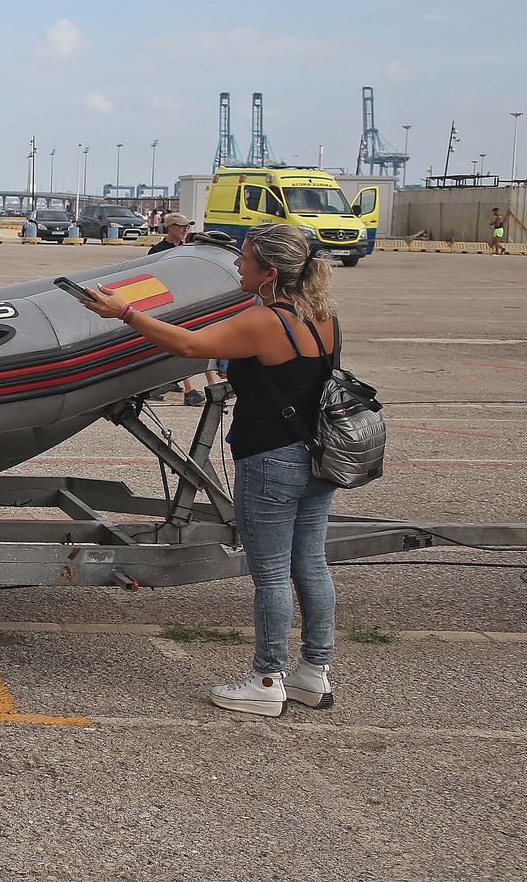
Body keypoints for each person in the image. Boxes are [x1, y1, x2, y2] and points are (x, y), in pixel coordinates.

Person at [75, 222, 340, 718]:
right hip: (318, 459)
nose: (238, 264)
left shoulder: (267, 321)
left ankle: (267, 678)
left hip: (271, 462)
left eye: (245, 259)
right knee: (311, 564)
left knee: (271, 574)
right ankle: (314, 674)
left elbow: (189, 347)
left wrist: (125, 312)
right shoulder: (323, 316)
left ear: (270, 272)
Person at [148, 213, 223, 404]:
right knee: (183, 345)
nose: (185, 230)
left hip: (190, 302)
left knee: (201, 342)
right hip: (171, 305)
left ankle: (212, 385)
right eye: (181, 226)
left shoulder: (187, 250)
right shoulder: (158, 251)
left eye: (187, 227)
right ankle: (190, 392)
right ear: (170, 226)